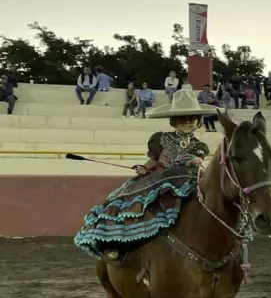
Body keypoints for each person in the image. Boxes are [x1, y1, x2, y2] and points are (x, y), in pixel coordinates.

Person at [74, 85, 221, 262]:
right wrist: (144, 168)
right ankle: (120, 246)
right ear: (173, 121)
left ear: (198, 121)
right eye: (182, 118)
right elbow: (153, 161)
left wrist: (194, 161)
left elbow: (195, 161)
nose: (188, 122)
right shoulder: (160, 139)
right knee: (131, 203)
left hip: (188, 181)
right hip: (160, 179)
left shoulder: (200, 146)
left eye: (192, 118)